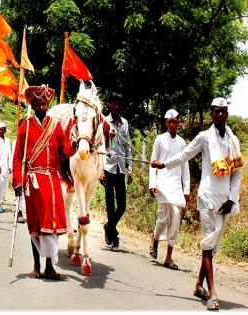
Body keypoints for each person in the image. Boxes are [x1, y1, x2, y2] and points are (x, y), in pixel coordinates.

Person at [151, 97, 243, 311]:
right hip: (207, 198)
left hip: (225, 202)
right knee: (208, 246)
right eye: (216, 111)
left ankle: (197, 286)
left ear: (227, 113)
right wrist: (164, 164)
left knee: (212, 247)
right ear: (211, 114)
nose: (220, 115)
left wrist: (232, 198)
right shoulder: (204, 138)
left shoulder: (233, 140)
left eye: (224, 111)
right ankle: (212, 294)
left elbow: (236, 173)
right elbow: (184, 155)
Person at [12, 84, 76, 279]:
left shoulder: (56, 126)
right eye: (38, 104)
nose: (41, 107)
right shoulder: (25, 127)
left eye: (44, 104)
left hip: (51, 180)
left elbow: (65, 151)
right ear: (32, 104)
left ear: (48, 105)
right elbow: (17, 158)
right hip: (32, 182)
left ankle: (50, 266)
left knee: (51, 225)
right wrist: (17, 182)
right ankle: (36, 266)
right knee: (35, 225)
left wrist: (74, 145)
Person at [148, 109, 190, 270]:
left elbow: (185, 166)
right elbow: (153, 163)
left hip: (176, 185)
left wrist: (186, 189)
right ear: (166, 123)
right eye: (170, 121)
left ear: (178, 122)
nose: (173, 124)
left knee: (176, 217)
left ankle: (169, 257)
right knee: (163, 218)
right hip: (162, 183)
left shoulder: (182, 142)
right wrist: (152, 183)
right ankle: (156, 238)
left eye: (175, 121)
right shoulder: (159, 140)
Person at [102, 92, 132, 252]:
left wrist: (130, 169)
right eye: (114, 103)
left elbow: (128, 147)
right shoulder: (104, 122)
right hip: (107, 167)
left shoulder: (125, 124)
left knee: (122, 205)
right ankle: (114, 238)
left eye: (119, 104)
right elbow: (101, 145)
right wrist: (108, 135)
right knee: (110, 204)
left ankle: (108, 226)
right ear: (110, 105)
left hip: (120, 168)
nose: (116, 107)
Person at [11, 118, 26, 223]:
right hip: (19, 169)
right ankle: (19, 212)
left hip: (28, 170)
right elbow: (14, 157)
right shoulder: (16, 141)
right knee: (20, 191)